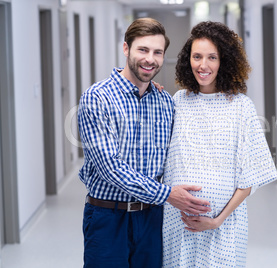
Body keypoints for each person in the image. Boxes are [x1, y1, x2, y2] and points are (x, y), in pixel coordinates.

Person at [77, 18, 210, 268]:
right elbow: (110, 167)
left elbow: (177, 155)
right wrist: (168, 194)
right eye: (143, 50)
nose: (150, 59)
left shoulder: (165, 102)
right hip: (108, 217)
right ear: (126, 49)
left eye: (157, 52)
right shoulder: (97, 98)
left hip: (152, 218)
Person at [162, 21, 277, 267]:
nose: (203, 65)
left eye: (212, 57)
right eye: (197, 56)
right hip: (177, 222)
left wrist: (217, 220)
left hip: (223, 226)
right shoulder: (178, 101)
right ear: (187, 60)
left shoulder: (240, 106)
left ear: (223, 61)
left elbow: (250, 176)